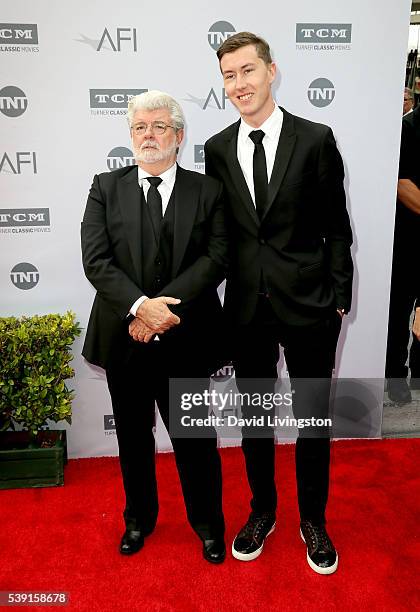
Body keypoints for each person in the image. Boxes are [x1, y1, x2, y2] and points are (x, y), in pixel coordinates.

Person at [204, 32, 353, 574]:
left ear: (271, 71)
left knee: (313, 418)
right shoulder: (217, 148)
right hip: (247, 309)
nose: (239, 84)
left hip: (311, 304)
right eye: (228, 76)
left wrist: (339, 295)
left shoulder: (315, 138)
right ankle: (262, 510)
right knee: (255, 418)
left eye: (247, 71)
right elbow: (222, 235)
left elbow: (337, 226)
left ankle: (313, 519)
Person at [81, 90, 228, 563]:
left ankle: (207, 524)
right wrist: (141, 307)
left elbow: (217, 257)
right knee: (131, 436)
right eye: (140, 127)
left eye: (159, 127)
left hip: (185, 337)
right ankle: (138, 520)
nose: (148, 135)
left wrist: (163, 311)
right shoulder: (105, 186)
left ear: (179, 136)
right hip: (125, 337)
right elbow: (97, 261)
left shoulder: (208, 191)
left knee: (195, 438)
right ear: (130, 135)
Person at [386, 103, 420, 401]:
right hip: (409, 241)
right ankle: (395, 376)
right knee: (399, 312)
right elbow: (400, 181)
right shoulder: (407, 127)